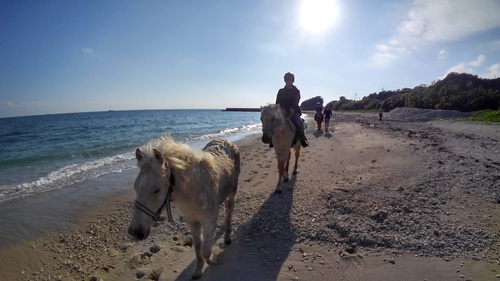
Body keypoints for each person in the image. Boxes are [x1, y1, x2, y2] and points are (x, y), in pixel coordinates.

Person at [271, 72, 309, 148]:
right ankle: (272, 139)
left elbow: (296, 102)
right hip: (282, 111)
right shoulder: (281, 91)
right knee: (272, 122)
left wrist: (292, 109)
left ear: (292, 80)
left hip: (293, 111)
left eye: (289, 79)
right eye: (286, 79)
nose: (287, 81)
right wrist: (276, 110)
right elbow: (277, 103)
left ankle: (302, 138)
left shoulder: (296, 91)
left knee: (298, 122)